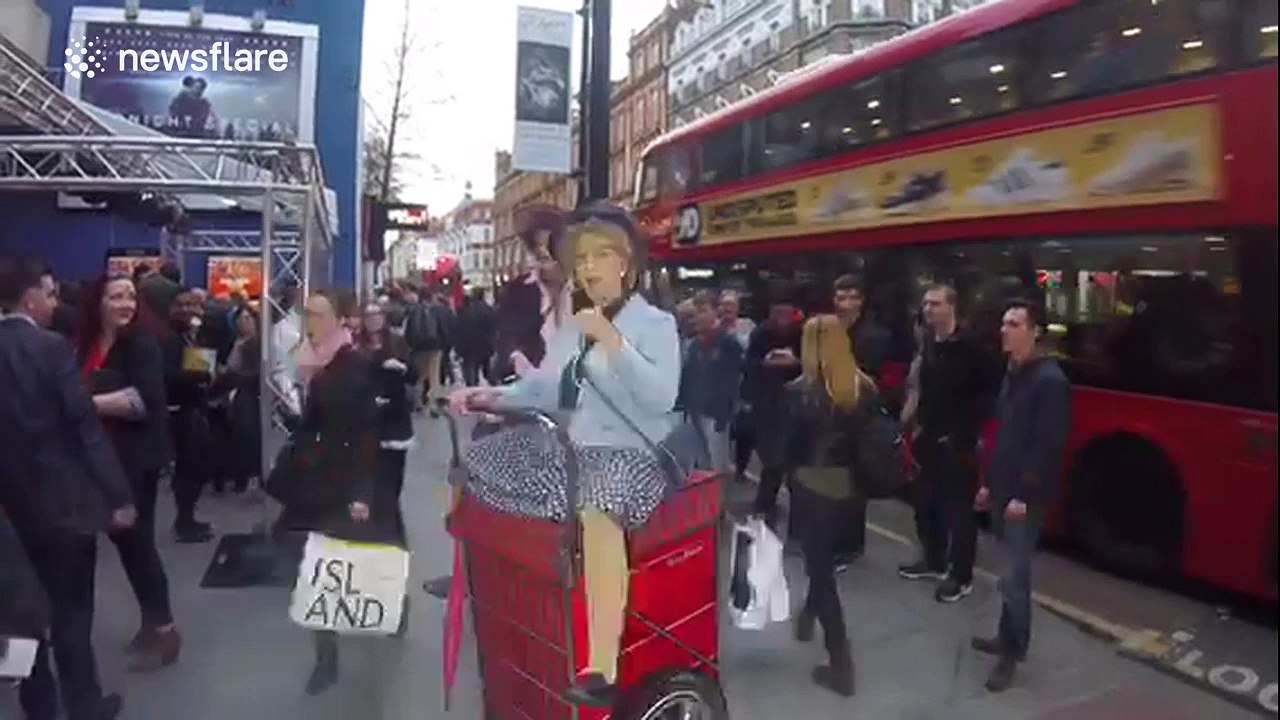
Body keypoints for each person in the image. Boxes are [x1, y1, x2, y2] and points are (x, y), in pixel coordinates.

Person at [451, 202, 680, 708]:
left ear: (628, 265)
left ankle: (603, 664)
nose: (590, 268)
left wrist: (614, 342)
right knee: (483, 459)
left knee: (597, 507)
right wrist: (493, 397)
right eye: (583, 259)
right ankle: (493, 580)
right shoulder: (577, 324)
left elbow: (661, 398)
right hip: (576, 447)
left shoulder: (655, 324)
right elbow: (549, 388)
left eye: (602, 256)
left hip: (633, 456)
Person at [0, 257, 134, 720]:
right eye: (51, 293)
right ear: (31, 298)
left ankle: (36, 705)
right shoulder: (52, 349)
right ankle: (84, 705)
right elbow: (86, 429)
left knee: (16, 614)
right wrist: (118, 495)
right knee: (72, 614)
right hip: (62, 506)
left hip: (8, 512)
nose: (56, 302)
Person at [272, 290, 382, 696]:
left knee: (334, 569)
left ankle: (345, 648)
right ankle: (326, 657)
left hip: (342, 479)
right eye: (307, 315)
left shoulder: (352, 366)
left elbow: (367, 432)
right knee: (314, 569)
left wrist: (362, 490)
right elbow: (313, 421)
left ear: (339, 319)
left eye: (319, 315)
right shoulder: (312, 363)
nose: (311, 322)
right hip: (315, 476)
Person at [76, 273, 182, 672]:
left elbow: (144, 401)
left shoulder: (140, 342)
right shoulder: (89, 343)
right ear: (97, 302)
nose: (125, 304)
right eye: (116, 296)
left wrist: (84, 403)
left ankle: (165, 630)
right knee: (127, 546)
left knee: (138, 546)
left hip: (135, 460)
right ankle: (151, 622)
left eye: (130, 297)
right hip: (103, 459)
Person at [972, 299, 1071, 692]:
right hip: (1002, 485)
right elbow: (1000, 433)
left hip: (1023, 496)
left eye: (1013, 323)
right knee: (1006, 572)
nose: (1004, 330)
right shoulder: (1012, 372)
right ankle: (1003, 636)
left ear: (1034, 332)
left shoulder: (1050, 381)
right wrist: (986, 482)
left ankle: (1013, 652)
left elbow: (1046, 446)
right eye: (1003, 323)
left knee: (1015, 576)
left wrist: (1024, 495)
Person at [786, 314, 880, 698]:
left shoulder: (800, 391)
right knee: (825, 560)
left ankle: (841, 664)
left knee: (820, 570)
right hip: (852, 490)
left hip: (812, 487)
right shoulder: (864, 387)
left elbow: (787, 449)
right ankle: (808, 617)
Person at [898, 284, 1002, 603]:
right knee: (925, 503)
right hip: (928, 437)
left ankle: (961, 575)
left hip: (958, 443)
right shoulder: (929, 343)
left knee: (959, 512)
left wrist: (966, 432)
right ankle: (933, 559)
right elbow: (922, 388)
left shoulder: (972, 347)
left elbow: (990, 392)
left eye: (935, 304)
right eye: (926, 304)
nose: (928, 309)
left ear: (952, 307)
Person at [830, 274, 890, 569]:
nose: (845, 303)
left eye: (851, 296)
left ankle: (849, 546)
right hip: (833, 414)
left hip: (859, 417)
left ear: (861, 300)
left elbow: (871, 379)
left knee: (853, 483)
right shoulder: (832, 330)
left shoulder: (872, 336)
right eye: (840, 297)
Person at [356, 301, 417, 548]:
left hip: (395, 418)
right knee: (374, 475)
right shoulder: (357, 346)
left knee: (394, 476)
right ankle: (382, 528)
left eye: (377, 315)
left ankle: (392, 528)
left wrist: (401, 367)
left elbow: (414, 373)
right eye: (368, 316)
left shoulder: (397, 342)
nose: (373, 320)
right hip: (369, 418)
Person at [492, 204, 573, 381]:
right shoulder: (518, 291)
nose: (543, 252)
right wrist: (514, 357)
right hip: (532, 390)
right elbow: (506, 336)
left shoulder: (587, 289)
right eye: (539, 248)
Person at [163, 288, 217, 543]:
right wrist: (198, 374)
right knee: (188, 468)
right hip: (179, 411)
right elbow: (169, 376)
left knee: (197, 468)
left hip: (196, 407)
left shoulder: (195, 336)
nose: (187, 310)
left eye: (193, 305)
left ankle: (187, 517)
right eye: (181, 304)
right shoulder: (168, 339)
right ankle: (184, 520)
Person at [745, 296, 804, 529]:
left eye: (785, 314)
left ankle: (794, 515)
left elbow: (810, 365)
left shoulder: (800, 334)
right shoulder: (760, 334)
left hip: (795, 405)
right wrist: (765, 364)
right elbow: (749, 364)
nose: (781, 319)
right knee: (772, 459)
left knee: (793, 464)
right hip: (768, 405)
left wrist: (795, 364)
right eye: (776, 314)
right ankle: (764, 506)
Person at [677, 291, 742, 474]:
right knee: (697, 467)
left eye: (703, 311)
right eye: (696, 312)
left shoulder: (728, 343)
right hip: (693, 412)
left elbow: (732, 382)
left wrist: (725, 414)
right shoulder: (693, 344)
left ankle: (719, 502)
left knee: (716, 467)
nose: (698, 317)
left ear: (716, 312)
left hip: (715, 415)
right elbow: (687, 379)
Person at [222, 306, 262, 494]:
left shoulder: (257, 344)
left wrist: (232, 375)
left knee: (247, 434)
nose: (243, 323)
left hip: (250, 393)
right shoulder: (237, 342)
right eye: (240, 319)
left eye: (247, 318)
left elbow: (255, 374)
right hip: (234, 392)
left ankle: (250, 475)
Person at [456, 288, 497, 386]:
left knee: (471, 372)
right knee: (488, 369)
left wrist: (459, 349)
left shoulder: (465, 311)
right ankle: (495, 385)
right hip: (486, 345)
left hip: (470, 346)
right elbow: (494, 329)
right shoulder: (489, 310)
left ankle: (472, 389)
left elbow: (460, 330)